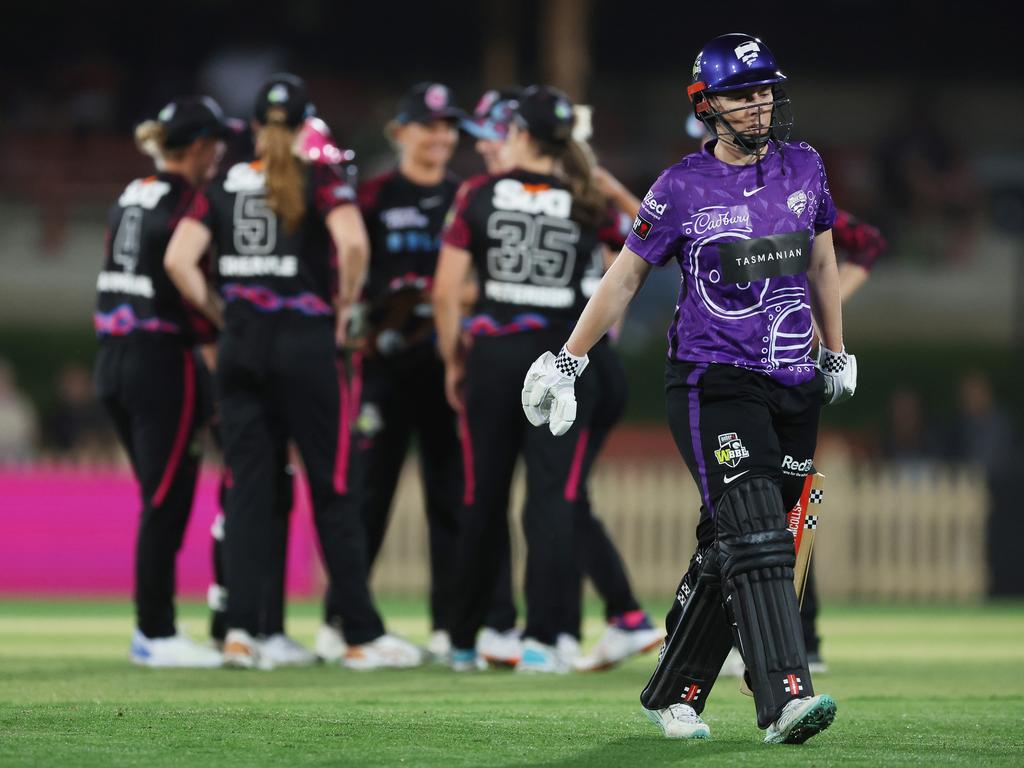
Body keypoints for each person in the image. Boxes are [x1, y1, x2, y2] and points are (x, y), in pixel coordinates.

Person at [521, 33, 854, 743]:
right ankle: (786, 699)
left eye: (766, 91)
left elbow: (823, 264)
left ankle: (674, 690)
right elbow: (624, 278)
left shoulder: (806, 166)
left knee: (738, 542)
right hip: (712, 382)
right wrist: (570, 359)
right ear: (706, 105)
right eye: (742, 94)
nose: (760, 105)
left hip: (794, 382)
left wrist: (836, 351)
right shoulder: (678, 189)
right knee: (761, 531)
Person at [165, 73, 422, 670]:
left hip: (242, 343)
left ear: (255, 128)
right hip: (306, 341)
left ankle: (241, 632)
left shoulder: (225, 182)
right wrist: (345, 307)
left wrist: (221, 310)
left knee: (250, 492)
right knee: (333, 488)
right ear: (308, 125)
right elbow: (353, 245)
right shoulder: (319, 174)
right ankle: (358, 632)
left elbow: (179, 260)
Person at [434, 85, 633, 673]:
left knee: (481, 498)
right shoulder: (586, 197)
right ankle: (544, 642)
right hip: (562, 359)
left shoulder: (478, 192)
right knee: (553, 500)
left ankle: (465, 637)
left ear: (518, 133)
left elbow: (446, 290)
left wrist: (452, 360)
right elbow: (647, 248)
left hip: (493, 355)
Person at [315, 83, 466, 663]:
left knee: (450, 498)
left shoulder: (464, 194)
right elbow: (341, 267)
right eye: (428, 126)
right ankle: (340, 620)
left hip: (445, 365)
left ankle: (451, 628)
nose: (440, 137)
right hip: (382, 367)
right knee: (367, 496)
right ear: (399, 131)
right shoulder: (373, 194)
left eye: (448, 127)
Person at [93, 96, 230, 667]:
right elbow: (180, 267)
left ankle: (155, 629)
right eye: (217, 144)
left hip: (113, 357)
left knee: (158, 497)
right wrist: (224, 321)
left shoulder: (132, 192)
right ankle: (156, 631)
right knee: (166, 501)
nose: (221, 155)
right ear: (197, 146)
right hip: (162, 361)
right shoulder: (190, 200)